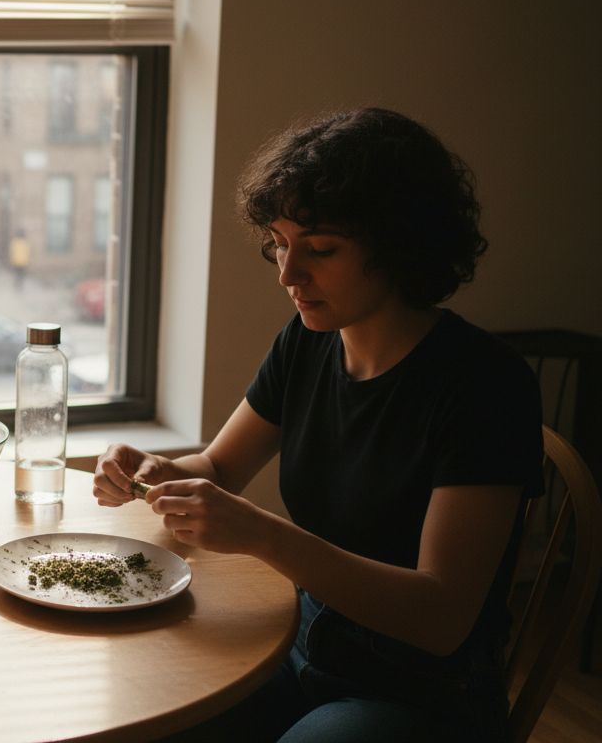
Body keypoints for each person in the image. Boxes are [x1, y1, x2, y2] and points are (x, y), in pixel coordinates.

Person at [93, 108, 541, 742]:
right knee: (139, 710)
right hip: (300, 646)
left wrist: (262, 534)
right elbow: (219, 467)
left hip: (420, 694)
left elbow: (441, 617)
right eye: (279, 242)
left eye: (320, 248)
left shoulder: (484, 385)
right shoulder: (307, 344)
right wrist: (152, 473)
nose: (287, 273)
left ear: (398, 245)